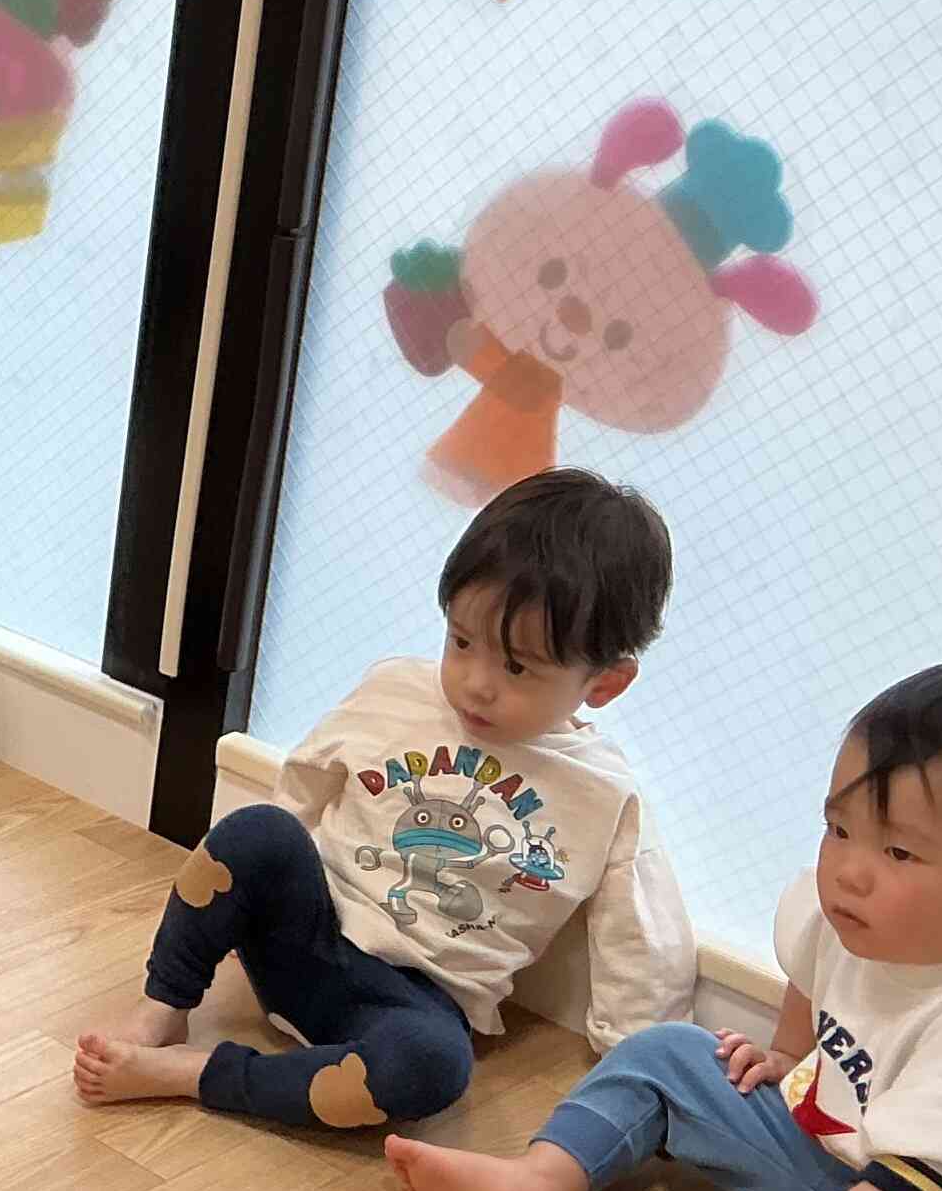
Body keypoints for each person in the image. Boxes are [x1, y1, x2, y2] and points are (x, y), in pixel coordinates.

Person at [393, 663, 942, 1191]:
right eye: (840, 829)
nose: (849, 871)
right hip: (832, 1165)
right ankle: (540, 1180)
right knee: (669, 1052)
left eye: (901, 854)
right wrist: (789, 1056)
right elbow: (810, 968)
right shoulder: (853, 912)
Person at [75, 467, 693, 1129]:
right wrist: (243, 894)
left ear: (605, 683)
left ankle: (196, 1075)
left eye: (517, 667)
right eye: (461, 641)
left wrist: (637, 1066)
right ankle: (163, 1011)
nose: (476, 682)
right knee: (256, 830)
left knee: (435, 1067)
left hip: (410, 1005)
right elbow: (301, 786)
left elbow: (642, 942)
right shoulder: (397, 691)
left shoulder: (604, 794)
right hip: (305, 932)